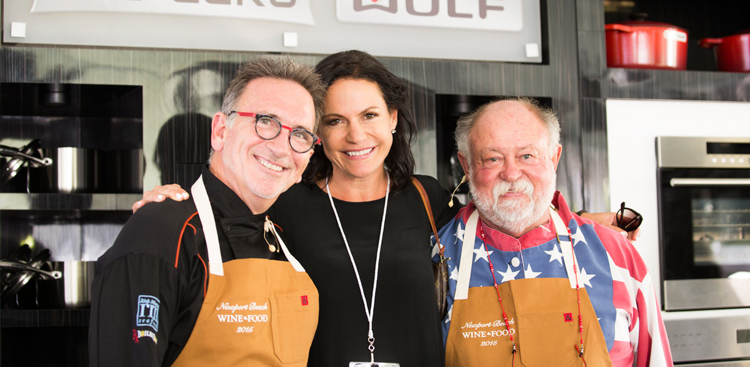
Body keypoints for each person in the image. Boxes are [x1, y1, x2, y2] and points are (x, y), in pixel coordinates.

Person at [135, 51, 641, 366]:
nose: (356, 136)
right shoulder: (283, 201)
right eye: (334, 121)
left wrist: (581, 222)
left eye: (370, 115)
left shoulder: (430, 198)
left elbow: (506, 210)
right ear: (313, 133)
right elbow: (228, 202)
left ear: (394, 119)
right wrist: (172, 202)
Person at [88, 57, 326, 367]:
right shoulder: (159, 232)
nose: (282, 147)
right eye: (266, 120)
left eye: (301, 135)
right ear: (220, 131)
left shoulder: (282, 237)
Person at [436, 97, 673, 366]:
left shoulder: (615, 254)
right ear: (466, 167)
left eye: (527, 155)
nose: (512, 173)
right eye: (493, 158)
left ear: (554, 157)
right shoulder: (434, 257)